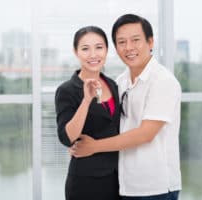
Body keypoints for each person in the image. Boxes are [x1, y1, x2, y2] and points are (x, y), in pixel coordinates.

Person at [71, 14, 182, 200]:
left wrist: (94, 147)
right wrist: (78, 144)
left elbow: (145, 134)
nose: (128, 48)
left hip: (156, 188)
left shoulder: (163, 81)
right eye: (121, 42)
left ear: (150, 42)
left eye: (135, 40)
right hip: (125, 185)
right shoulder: (120, 82)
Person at [55, 26, 121, 200]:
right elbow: (66, 137)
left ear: (107, 50)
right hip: (86, 183)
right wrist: (86, 100)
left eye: (99, 47)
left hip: (119, 180)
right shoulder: (67, 90)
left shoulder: (114, 86)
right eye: (85, 48)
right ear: (76, 52)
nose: (93, 54)